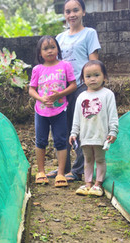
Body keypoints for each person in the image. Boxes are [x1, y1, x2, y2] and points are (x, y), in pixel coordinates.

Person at [46, 0, 101, 182]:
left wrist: (94, 88)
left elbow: (93, 62)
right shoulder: (59, 38)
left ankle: (78, 170)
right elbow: (54, 63)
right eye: (68, 11)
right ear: (64, 15)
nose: (72, 15)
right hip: (62, 90)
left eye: (76, 10)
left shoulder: (89, 33)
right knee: (62, 129)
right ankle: (63, 168)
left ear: (83, 12)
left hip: (80, 87)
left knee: (81, 128)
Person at [29, 35, 77, 187]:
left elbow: (73, 85)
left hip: (60, 110)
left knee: (61, 141)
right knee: (41, 141)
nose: (49, 51)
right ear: (40, 53)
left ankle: (61, 173)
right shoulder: (37, 69)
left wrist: (60, 95)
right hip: (41, 111)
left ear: (58, 49)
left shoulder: (65, 65)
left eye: (52, 47)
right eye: (45, 48)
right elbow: (32, 89)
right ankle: (41, 172)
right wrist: (41, 99)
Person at [69, 60, 118, 196]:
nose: (92, 79)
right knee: (88, 159)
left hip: (101, 135)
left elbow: (113, 115)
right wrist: (74, 133)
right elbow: (77, 118)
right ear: (83, 79)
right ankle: (88, 183)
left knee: (100, 159)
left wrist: (113, 130)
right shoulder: (81, 97)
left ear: (105, 77)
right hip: (85, 136)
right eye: (88, 76)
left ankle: (98, 184)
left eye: (96, 75)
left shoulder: (107, 94)